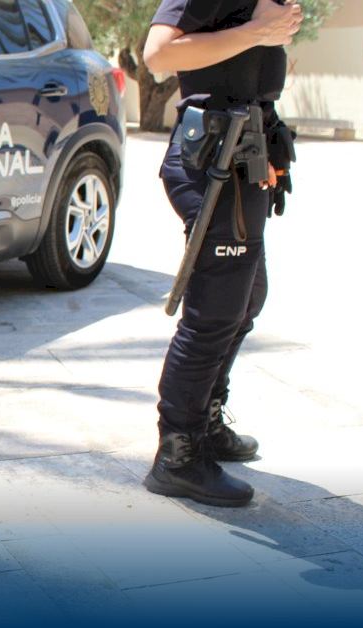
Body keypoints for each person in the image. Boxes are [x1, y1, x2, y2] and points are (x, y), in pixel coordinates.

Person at [141, 0, 303, 507]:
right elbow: (158, 55)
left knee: (247, 299)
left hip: (245, 154)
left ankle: (205, 422)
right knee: (214, 313)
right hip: (211, 158)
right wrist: (257, 31)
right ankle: (178, 455)